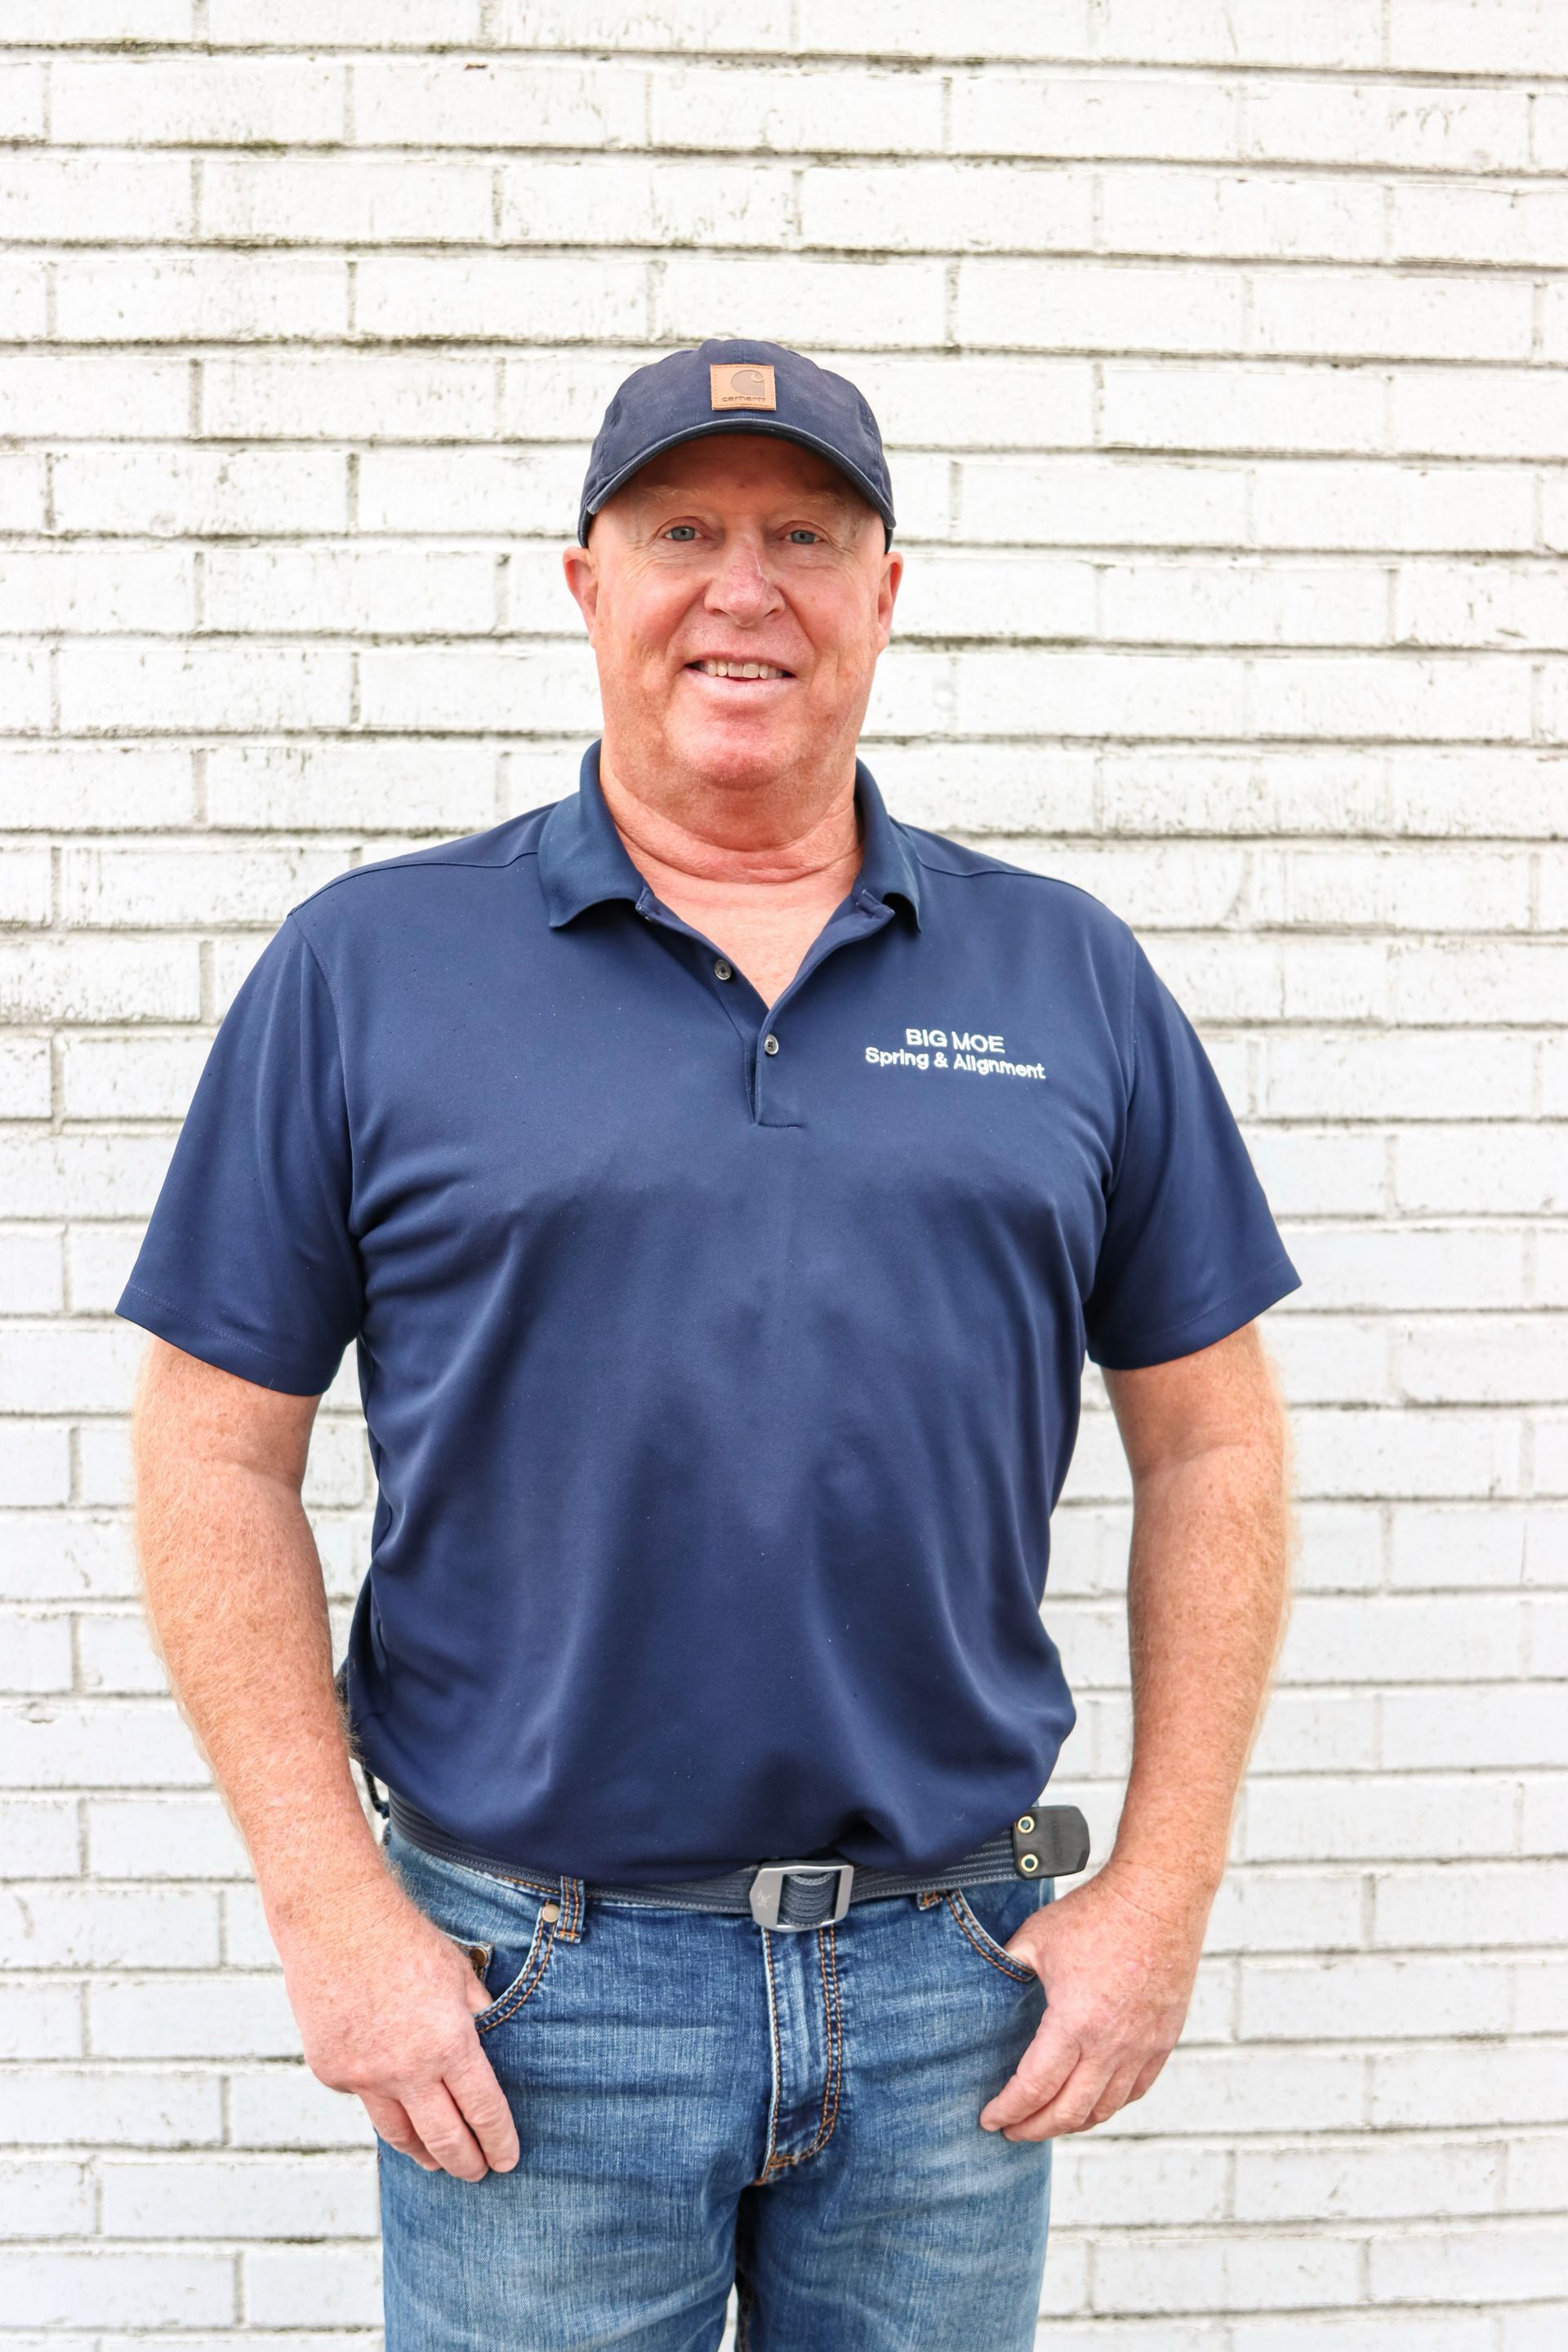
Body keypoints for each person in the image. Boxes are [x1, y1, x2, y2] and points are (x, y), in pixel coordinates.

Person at [120, 337, 1298, 2352]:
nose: (742, 588)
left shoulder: (1066, 975)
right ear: (586, 583)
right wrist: (335, 1912)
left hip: (954, 1991)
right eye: (683, 530)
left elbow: (1215, 1446)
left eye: (804, 536)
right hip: (526, 1998)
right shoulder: (370, 968)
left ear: (885, 594)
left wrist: (1160, 1894)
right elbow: (208, 1450)